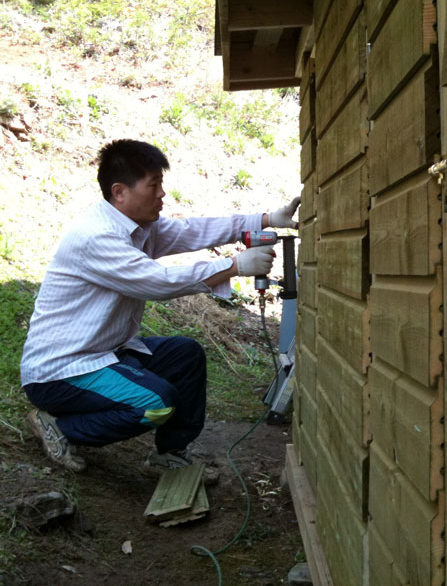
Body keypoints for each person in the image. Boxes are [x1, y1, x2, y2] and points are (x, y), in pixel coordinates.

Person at [20, 139, 300, 473]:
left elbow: (191, 230)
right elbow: (158, 282)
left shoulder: (138, 227)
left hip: (103, 352)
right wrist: (234, 266)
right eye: (153, 185)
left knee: (185, 355)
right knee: (155, 402)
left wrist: (266, 218)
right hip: (63, 370)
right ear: (120, 192)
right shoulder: (97, 237)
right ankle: (61, 428)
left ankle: (168, 454)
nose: (161, 194)